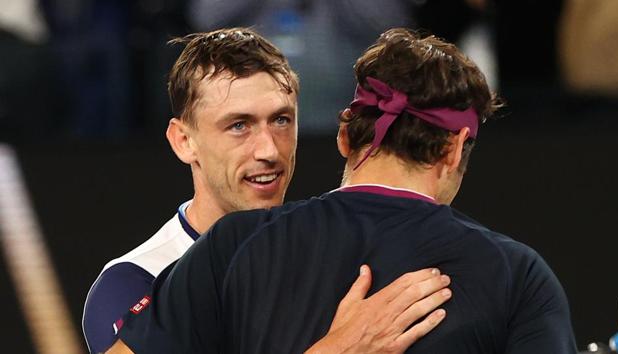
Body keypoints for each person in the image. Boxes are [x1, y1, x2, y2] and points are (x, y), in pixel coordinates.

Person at [111, 28, 578, 353]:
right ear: (455, 150)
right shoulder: (518, 276)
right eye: (238, 125)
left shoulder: (232, 246)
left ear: (345, 136)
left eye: (280, 121)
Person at [83, 27, 450, 354]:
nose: (269, 151)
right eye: (239, 125)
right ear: (183, 141)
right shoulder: (135, 280)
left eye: (281, 120)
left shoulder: (341, 252)